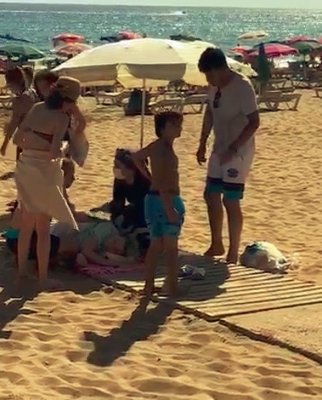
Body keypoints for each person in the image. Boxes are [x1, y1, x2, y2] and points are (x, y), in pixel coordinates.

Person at [11, 76, 81, 290]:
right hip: (43, 170)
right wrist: (65, 148)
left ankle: (22, 273)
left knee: (26, 226)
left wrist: (34, 136)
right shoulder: (61, 118)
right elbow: (53, 153)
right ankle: (42, 279)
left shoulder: (37, 107)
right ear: (68, 100)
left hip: (25, 167)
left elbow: (16, 140)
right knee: (43, 229)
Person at [196, 47, 260, 264]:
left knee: (230, 200)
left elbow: (254, 122)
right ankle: (216, 243)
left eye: (210, 75)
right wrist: (202, 142)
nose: (209, 80)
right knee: (210, 194)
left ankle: (233, 252)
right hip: (219, 146)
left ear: (221, 69)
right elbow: (209, 113)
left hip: (239, 150)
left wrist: (233, 149)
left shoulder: (242, 86)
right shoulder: (214, 86)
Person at [133, 111, 185, 298]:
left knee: (155, 245)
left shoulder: (156, 146)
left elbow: (136, 156)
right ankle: (172, 287)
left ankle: (149, 285)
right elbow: (163, 180)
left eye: (179, 124)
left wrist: (148, 175)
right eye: (173, 124)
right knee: (171, 248)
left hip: (152, 199)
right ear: (163, 128)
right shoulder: (163, 150)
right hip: (165, 198)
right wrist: (169, 207)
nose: (178, 127)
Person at [110, 148, 151, 255]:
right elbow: (118, 201)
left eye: (118, 166)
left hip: (146, 213)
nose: (115, 168)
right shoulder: (119, 180)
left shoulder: (144, 183)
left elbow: (142, 205)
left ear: (131, 169)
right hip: (133, 211)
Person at [0, 67, 37, 158]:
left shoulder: (20, 99)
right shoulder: (33, 93)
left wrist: (5, 143)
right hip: (38, 135)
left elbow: (15, 121)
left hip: (27, 137)